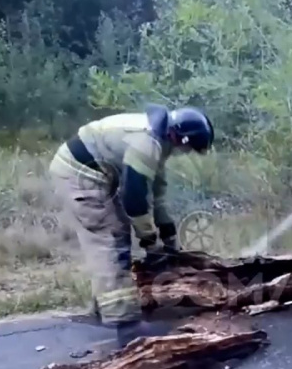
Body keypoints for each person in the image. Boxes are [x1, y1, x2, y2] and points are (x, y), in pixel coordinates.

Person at [48, 103, 214, 347]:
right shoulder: (147, 144)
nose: (185, 153)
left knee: (116, 237)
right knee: (112, 242)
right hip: (79, 176)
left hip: (89, 172)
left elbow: (155, 196)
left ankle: (104, 308)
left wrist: (169, 240)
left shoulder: (159, 141)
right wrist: (151, 244)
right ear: (181, 138)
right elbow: (135, 201)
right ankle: (127, 326)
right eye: (188, 148)